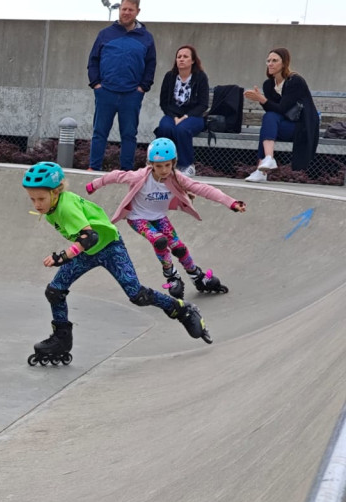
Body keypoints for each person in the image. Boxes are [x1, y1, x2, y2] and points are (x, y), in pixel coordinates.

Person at [22, 161, 210, 366]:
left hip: (110, 248)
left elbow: (89, 237)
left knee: (137, 295)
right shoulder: (51, 208)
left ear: (56, 192)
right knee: (55, 291)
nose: (37, 205)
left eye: (41, 198)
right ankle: (61, 339)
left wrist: (63, 257)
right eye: (32, 199)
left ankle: (181, 309)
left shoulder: (66, 207)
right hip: (88, 253)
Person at [86, 138, 246, 300]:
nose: (163, 170)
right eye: (159, 166)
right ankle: (171, 276)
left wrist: (230, 202)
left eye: (167, 165)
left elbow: (202, 188)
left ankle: (196, 275)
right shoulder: (140, 176)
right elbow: (116, 176)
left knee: (179, 248)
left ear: (173, 163)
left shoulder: (177, 178)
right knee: (160, 241)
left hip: (159, 217)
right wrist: (95, 184)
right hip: (137, 218)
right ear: (151, 165)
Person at [86, 0, 156, 171]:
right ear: (119, 10)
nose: (126, 12)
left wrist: (142, 88)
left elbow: (151, 65)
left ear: (137, 11)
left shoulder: (146, 38)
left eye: (130, 10)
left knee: (129, 135)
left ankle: (126, 171)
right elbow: (93, 60)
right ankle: (94, 168)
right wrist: (96, 84)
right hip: (106, 93)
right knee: (99, 133)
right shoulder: (105, 34)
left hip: (131, 95)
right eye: (124, 9)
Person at [243, 47, 320, 182]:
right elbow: (273, 111)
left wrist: (261, 99)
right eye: (268, 61)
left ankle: (262, 169)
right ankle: (268, 159)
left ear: (284, 63)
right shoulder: (268, 84)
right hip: (282, 124)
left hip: (300, 127)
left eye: (274, 60)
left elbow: (282, 108)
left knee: (268, 121)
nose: (270, 64)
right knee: (269, 118)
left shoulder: (295, 81)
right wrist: (263, 100)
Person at [153, 45, 209, 176]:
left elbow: (203, 104)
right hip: (172, 114)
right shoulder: (170, 76)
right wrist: (174, 117)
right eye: (179, 57)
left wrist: (186, 116)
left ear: (193, 60)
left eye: (185, 57)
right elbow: (164, 103)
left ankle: (186, 165)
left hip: (194, 116)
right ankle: (163, 164)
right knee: (164, 127)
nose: (181, 59)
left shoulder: (200, 77)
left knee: (182, 129)